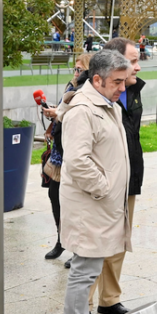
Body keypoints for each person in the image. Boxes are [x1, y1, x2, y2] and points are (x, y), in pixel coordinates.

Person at [58, 50, 132, 314]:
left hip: (100, 206)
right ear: (97, 79)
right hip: (91, 205)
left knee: (89, 268)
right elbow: (77, 161)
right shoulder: (83, 110)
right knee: (84, 270)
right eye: (117, 81)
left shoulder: (105, 104)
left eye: (125, 81)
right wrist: (104, 189)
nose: (123, 88)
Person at [85, 37, 144, 314]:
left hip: (127, 180)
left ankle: (109, 299)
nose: (138, 67)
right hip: (101, 187)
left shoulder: (132, 91)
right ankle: (83, 308)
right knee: (94, 247)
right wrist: (102, 185)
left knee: (119, 241)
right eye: (133, 61)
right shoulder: (88, 95)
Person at [43, 53, 92, 267]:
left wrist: (58, 113)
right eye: (75, 68)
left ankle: (77, 248)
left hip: (75, 154)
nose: (75, 73)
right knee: (54, 195)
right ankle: (61, 239)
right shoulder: (70, 87)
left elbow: (75, 116)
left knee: (75, 203)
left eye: (80, 69)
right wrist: (54, 114)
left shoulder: (86, 91)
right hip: (59, 153)